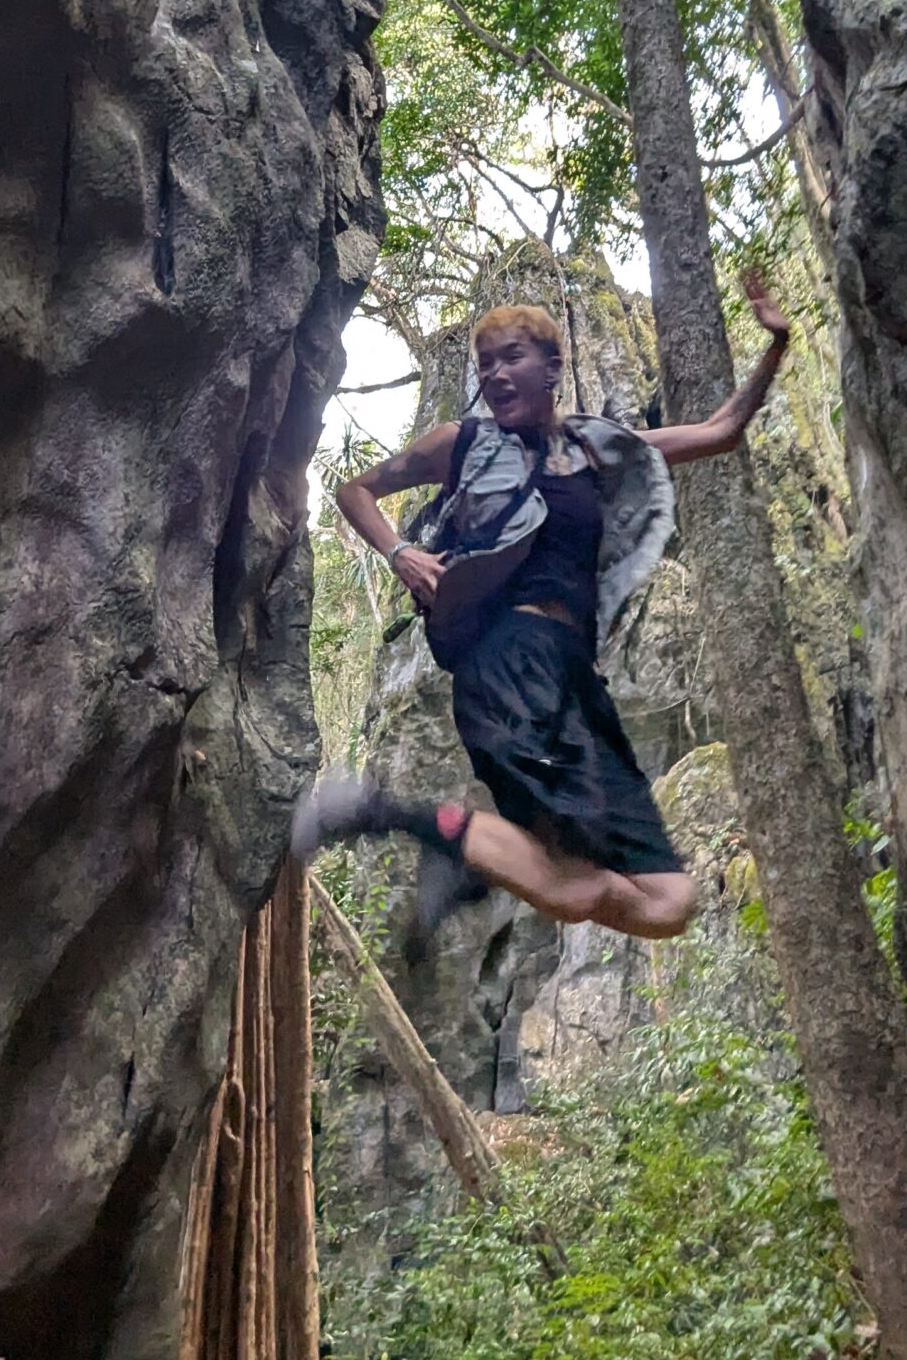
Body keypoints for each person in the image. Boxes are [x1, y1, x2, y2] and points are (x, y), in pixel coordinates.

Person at [291, 273, 795, 950]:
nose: (495, 374)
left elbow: (722, 430)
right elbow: (356, 490)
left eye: (512, 357)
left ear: (553, 368)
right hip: (505, 664)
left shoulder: (595, 449)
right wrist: (401, 553)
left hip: (576, 680)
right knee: (572, 884)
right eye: (486, 364)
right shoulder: (460, 442)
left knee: (665, 902)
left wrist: (777, 344)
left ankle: (457, 846)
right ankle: (385, 814)